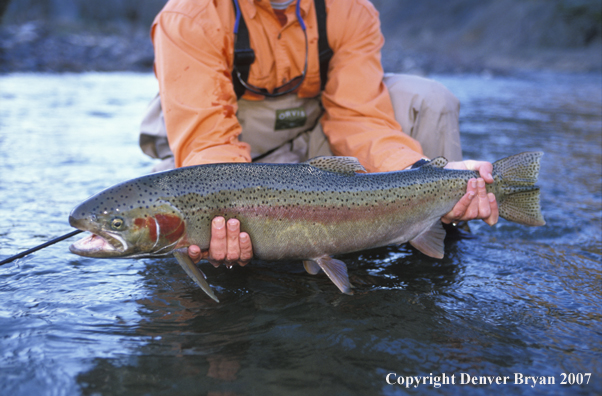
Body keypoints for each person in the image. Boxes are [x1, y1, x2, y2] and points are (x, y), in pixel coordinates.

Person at [141, 0, 499, 268]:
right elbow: (208, 141)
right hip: (233, 145)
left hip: (317, 128)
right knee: (194, 233)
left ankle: (437, 215)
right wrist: (218, 218)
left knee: (430, 99)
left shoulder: (350, 9)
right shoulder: (190, 16)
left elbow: (358, 116)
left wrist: (419, 169)